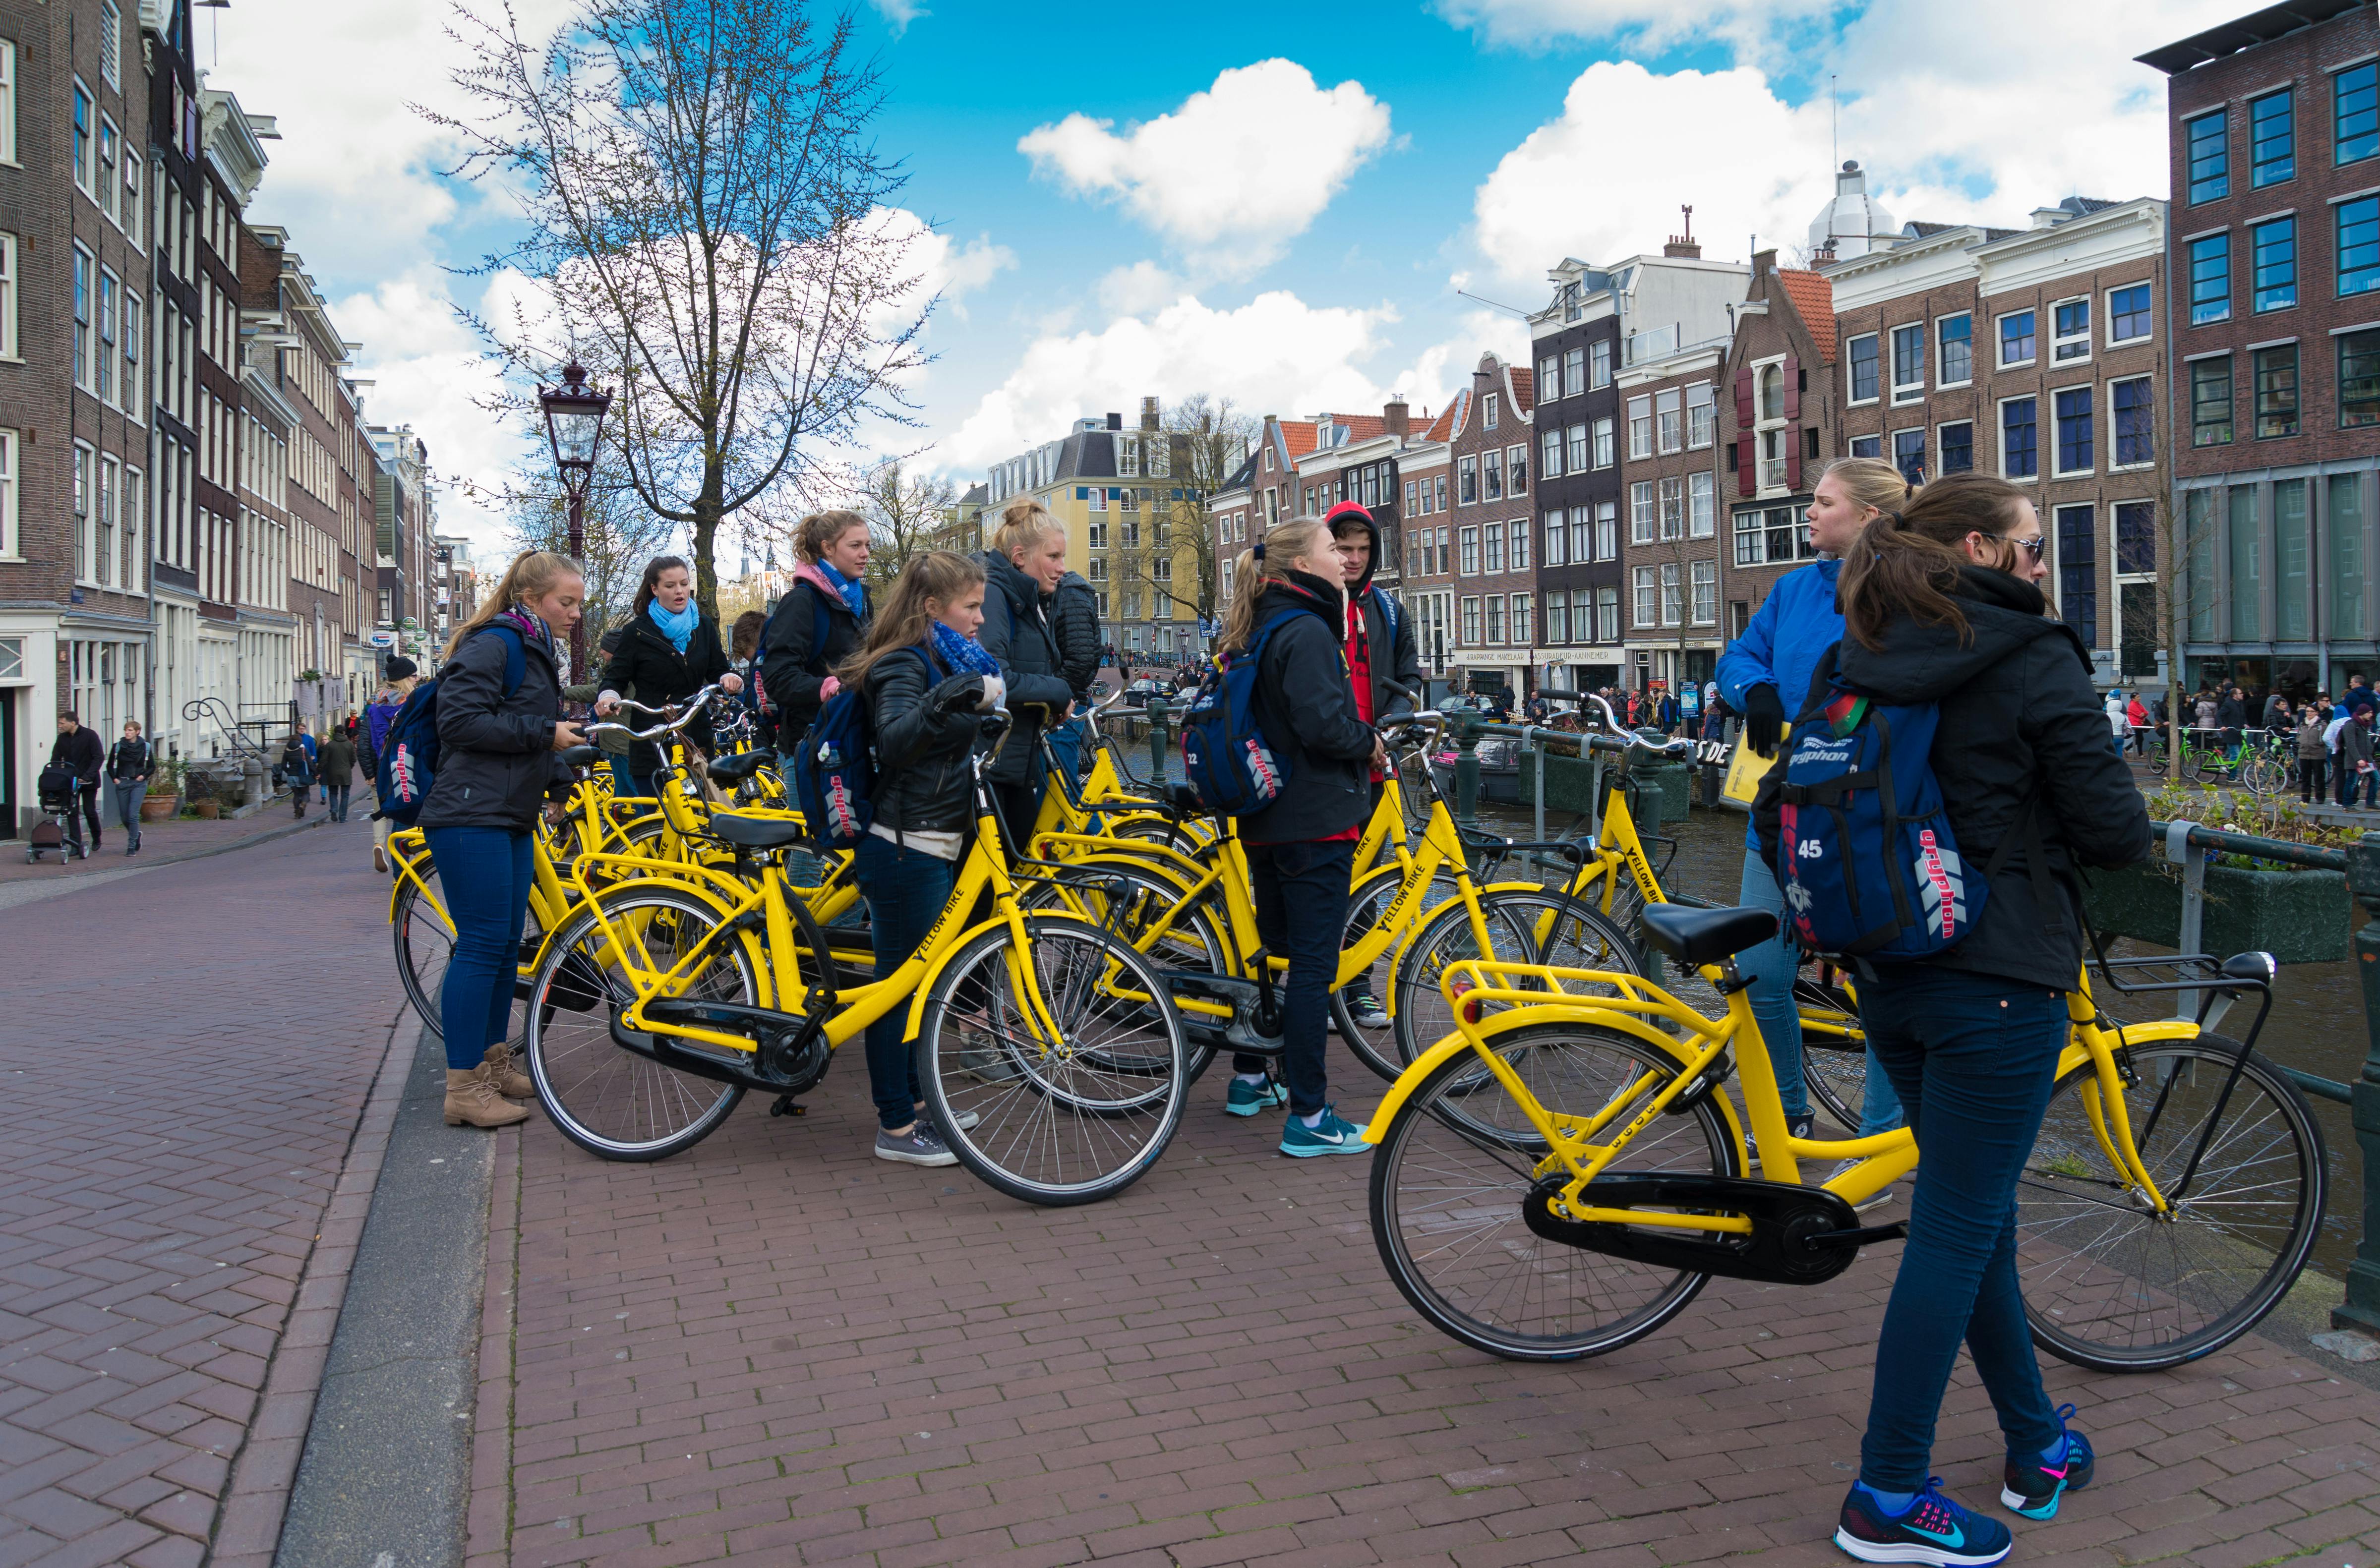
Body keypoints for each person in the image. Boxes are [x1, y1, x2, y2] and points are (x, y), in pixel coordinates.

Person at [1766, 472, 2151, 1565]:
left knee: (1971, 1215)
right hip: (1999, 978)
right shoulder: (2033, 657)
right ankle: (1886, 1494)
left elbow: (1793, 792)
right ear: (1983, 550)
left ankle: (2036, 1443)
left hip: (1890, 967)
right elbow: (2116, 831)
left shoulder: (1861, 651)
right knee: (1955, 1225)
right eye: (2034, 550)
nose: (2043, 567)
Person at [1717, 457, 1911, 1156]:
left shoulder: (1909, 594)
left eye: (1823, 502)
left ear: (1868, 517)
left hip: (1867, 816)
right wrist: (1757, 691)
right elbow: (1738, 657)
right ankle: (1787, 1113)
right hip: (1786, 806)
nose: (1809, 511)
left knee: (1883, 988)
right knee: (1762, 970)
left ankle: (1882, 1140)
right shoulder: (1794, 589)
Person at [1213, 516, 1381, 1153]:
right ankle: (1310, 1116)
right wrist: (1369, 741)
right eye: (1331, 549)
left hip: (1267, 818)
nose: (1344, 559)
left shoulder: (1259, 625)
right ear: (1304, 566)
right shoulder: (1308, 629)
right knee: (1313, 968)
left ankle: (1252, 1076)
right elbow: (1322, 725)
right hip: (1315, 819)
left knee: (1275, 954)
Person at [839, 550, 1007, 1166]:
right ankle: (895, 1127)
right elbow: (896, 739)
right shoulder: (905, 664)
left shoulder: (939, 658)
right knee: (899, 990)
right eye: (970, 606)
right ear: (932, 607)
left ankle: (912, 1103)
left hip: (927, 842)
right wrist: (952, 699)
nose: (980, 619)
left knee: (919, 985)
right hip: (905, 847)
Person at [420, 551, 589, 1130]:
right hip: (471, 814)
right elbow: (460, 722)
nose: (574, 614)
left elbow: (521, 727)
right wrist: (548, 734)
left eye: (578, 604)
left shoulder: (534, 646)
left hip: (505, 812)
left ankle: (493, 1066)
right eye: (565, 602)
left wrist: (562, 779)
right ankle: (464, 1087)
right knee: (482, 945)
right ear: (531, 597)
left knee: (500, 947)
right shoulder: (499, 643)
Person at [1326, 500, 1423, 1031]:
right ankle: (1319, 987)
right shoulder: (1317, 608)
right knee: (1327, 879)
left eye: (1363, 549)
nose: (1355, 558)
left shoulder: (1389, 611)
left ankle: (1357, 988)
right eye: (1344, 548)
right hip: (1328, 766)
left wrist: (1394, 721)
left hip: (1376, 766)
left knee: (1370, 877)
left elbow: (1410, 675)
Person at [975, 501, 1076, 845]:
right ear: (1020, 557)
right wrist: (1058, 691)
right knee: (997, 887)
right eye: (1053, 557)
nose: (1063, 568)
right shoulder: (993, 596)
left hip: (1015, 762)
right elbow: (995, 679)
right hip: (992, 765)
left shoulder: (1027, 599)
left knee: (1022, 878)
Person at [597, 556, 741, 796]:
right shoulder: (637, 631)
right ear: (654, 589)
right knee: (658, 818)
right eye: (670, 585)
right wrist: (608, 697)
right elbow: (616, 677)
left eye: (684, 584)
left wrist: (729, 676)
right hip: (652, 736)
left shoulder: (703, 626)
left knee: (705, 816)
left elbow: (718, 667)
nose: (679, 591)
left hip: (695, 731)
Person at [759, 510, 873, 755]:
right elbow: (778, 677)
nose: (865, 553)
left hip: (852, 739)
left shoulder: (860, 601)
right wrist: (828, 688)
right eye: (855, 545)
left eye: (867, 545)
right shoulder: (802, 602)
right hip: (811, 747)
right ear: (828, 548)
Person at [1044, 567, 1103, 785]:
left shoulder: (1068, 596)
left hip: (1065, 706)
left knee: (1063, 787)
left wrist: (1056, 696)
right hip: (1065, 700)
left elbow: (1081, 659)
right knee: (1057, 788)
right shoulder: (1057, 595)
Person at [364, 657, 420, 873]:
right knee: (411, 819)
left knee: (400, 818)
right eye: (414, 676)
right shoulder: (409, 704)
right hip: (410, 763)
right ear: (405, 679)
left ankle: (401, 875)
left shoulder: (376, 706)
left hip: (388, 764)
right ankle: (408, 874)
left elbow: (373, 740)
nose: (417, 680)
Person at [48, 712, 105, 853]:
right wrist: (58, 777)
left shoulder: (90, 735)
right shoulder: (62, 739)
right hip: (70, 780)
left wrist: (86, 777)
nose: (60, 726)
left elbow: (98, 757)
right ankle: (75, 843)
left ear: (73, 723)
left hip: (89, 781)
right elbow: (56, 759)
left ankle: (96, 836)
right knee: (71, 811)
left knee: (89, 810)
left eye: (62, 723)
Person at [106, 719, 153, 855]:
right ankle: (136, 834)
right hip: (122, 783)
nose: (127, 732)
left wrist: (142, 777)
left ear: (137, 732)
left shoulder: (145, 747)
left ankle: (131, 847)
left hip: (138, 784)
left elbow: (152, 767)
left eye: (130, 730)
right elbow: (109, 766)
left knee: (133, 815)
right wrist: (115, 779)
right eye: (126, 730)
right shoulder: (118, 747)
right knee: (124, 817)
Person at [317, 720, 357, 822]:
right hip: (346, 773)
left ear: (335, 733)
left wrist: (318, 771)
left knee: (333, 793)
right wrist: (349, 767)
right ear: (344, 733)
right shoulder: (349, 744)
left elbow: (323, 760)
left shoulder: (330, 745)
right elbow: (354, 759)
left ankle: (334, 810)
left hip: (332, 773)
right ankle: (343, 816)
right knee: (345, 795)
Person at [2343, 709, 2379, 811]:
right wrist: (2358, 759)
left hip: (2367, 760)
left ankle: (2370, 802)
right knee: (2352, 782)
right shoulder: (2351, 725)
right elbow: (2351, 744)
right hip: (2356, 760)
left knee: (2375, 779)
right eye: (2369, 713)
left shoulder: (2365, 724)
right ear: (2362, 713)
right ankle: (2347, 805)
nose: (2371, 715)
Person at [2296, 702, 2331, 804]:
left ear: (2316, 713)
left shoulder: (2322, 724)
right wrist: (2300, 741)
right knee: (2305, 777)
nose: (2309, 713)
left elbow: (2326, 737)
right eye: (2307, 711)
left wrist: (2320, 743)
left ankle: (2320, 797)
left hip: (2318, 753)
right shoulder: (2302, 724)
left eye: (2312, 712)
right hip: (2304, 753)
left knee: (2319, 777)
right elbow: (2298, 735)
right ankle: (2305, 798)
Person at [278, 727, 314, 818]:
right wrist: (315, 773)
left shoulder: (287, 751)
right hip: (301, 776)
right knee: (306, 793)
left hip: (291, 776)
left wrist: (289, 771)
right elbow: (310, 763)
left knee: (296, 795)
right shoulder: (303, 750)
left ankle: (297, 813)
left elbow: (283, 766)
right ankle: (303, 805)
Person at [2125, 692, 2150, 756]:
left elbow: (2146, 712)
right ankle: (2140, 754)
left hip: (2139, 723)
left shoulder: (2139, 704)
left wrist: (2144, 714)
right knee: (2140, 738)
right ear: (2133, 699)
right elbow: (2140, 715)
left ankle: (2127, 749)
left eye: (2139, 697)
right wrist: (2144, 714)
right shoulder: (2133, 705)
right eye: (2138, 697)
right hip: (2136, 724)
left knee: (2139, 738)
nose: (2140, 698)